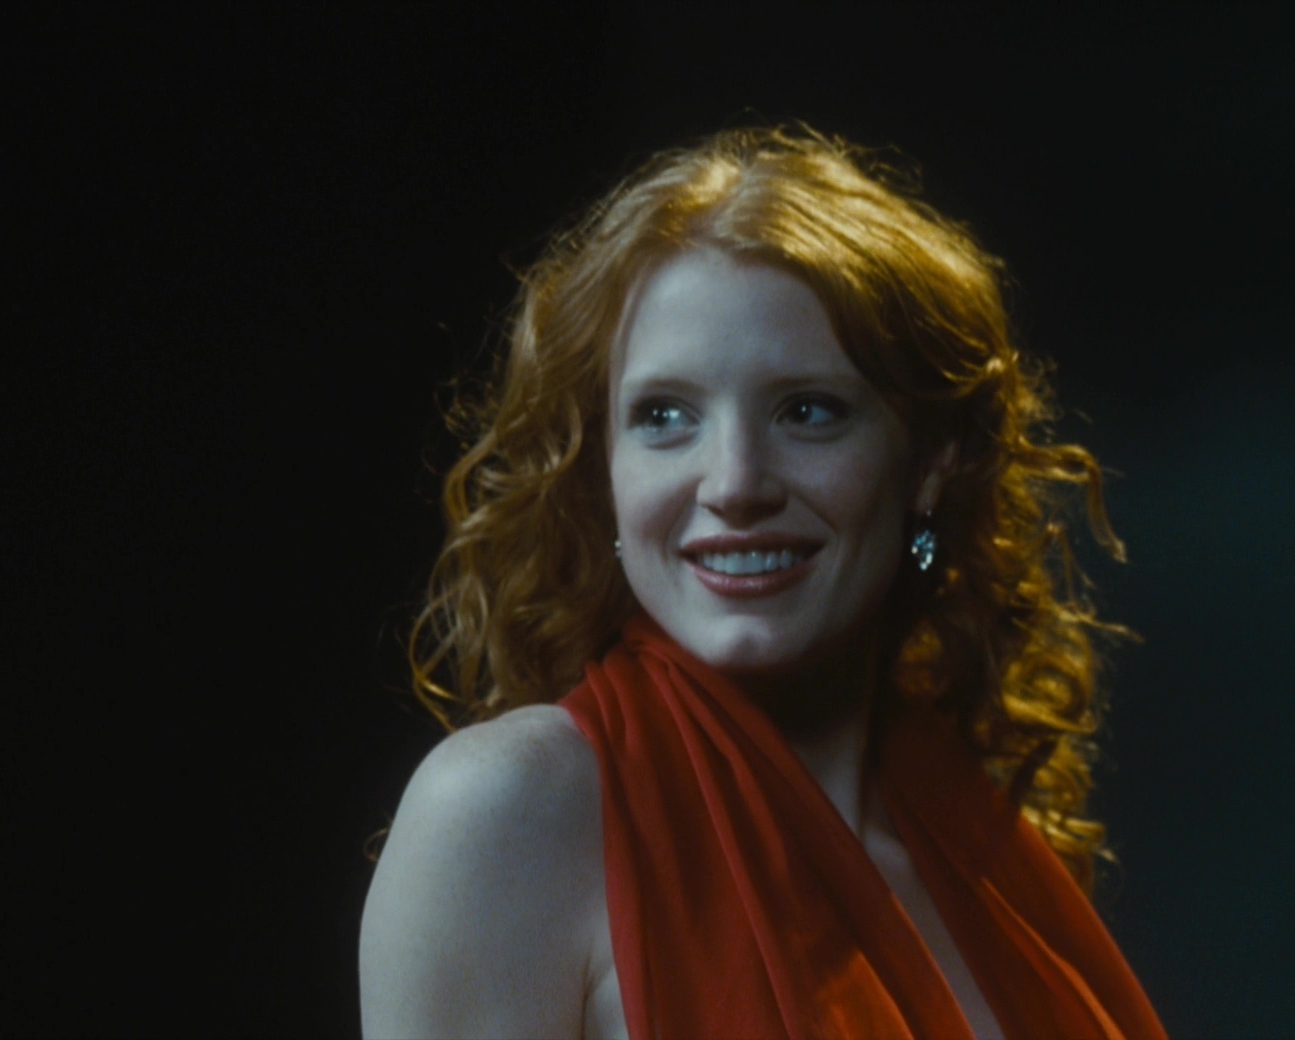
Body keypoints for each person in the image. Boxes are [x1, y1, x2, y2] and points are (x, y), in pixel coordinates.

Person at [359, 126, 1166, 1039]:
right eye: (665, 416)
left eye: (808, 411)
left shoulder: (980, 840)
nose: (735, 483)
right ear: (604, 472)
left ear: (930, 461)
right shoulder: (508, 814)